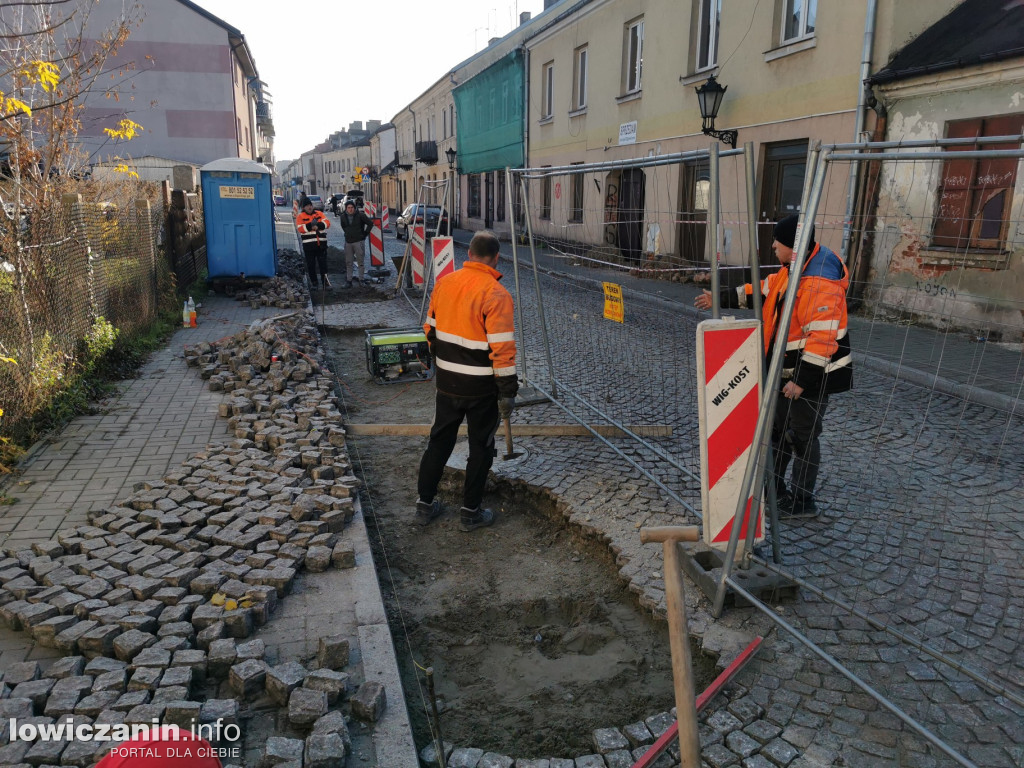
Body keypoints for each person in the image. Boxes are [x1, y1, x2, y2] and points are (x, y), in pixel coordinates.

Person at [694, 214, 852, 517]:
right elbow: (762, 291)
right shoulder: (792, 270)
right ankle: (774, 492)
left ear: (793, 247)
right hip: (786, 373)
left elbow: (821, 339)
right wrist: (720, 296)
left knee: (802, 437)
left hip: (812, 378)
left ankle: (803, 502)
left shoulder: (819, 282)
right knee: (778, 432)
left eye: (776, 243)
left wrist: (802, 381)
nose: (772, 247)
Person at [415, 231, 518, 532]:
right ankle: (470, 512)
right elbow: (502, 350)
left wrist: (445, 365)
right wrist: (507, 393)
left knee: (439, 440)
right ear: (496, 258)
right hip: (481, 388)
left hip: (447, 383)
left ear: (469, 254)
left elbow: (429, 330)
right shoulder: (497, 294)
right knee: (481, 447)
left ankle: (424, 505)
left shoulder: (445, 283)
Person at [296, 196, 331, 290]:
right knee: (311, 265)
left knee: (323, 265)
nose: (309, 207)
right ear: (303, 208)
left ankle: (326, 283)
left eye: (310, 205)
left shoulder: (319, 213)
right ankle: (314, 283)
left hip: (321, 245)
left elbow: (327, 223)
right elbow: (300, 228)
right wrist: (311, 226)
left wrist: (318, 226)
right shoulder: (300, 216)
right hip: (309, 247)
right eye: (307, 206)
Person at [338, 200, 373, 288]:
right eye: (348, 208)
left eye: (352, 208)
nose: (350, 209)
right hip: (348, 242)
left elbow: (370, 223)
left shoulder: (360, 215)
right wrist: (347, 233)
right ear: (346, 208)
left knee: (360, 262)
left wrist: (364, 234)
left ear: (354, 208)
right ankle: (349, 281)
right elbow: (343, 226)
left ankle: (361, 280)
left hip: (358, 241)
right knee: (348, 262)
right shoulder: (343, 217)